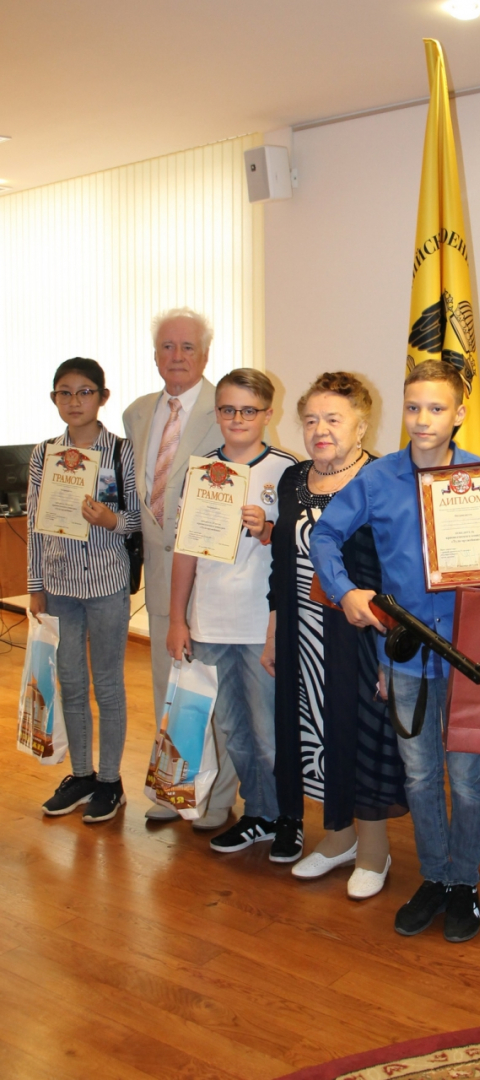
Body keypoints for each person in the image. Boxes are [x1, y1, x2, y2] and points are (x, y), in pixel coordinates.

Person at [311, 361, 480, 941]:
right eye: (413, 407)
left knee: (466, 778)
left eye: (436, 408)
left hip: (468, 653)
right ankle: (434, 876)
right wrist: (346, 590)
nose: (422, 419)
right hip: (405, 652)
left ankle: (465, 882)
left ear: (459, 413)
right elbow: (325, 534)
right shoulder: (379, 478)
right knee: (419, 775)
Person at [262, 372, 407, 899]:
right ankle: (339, 836)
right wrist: (274, 628)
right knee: (313, 733)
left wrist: (392, 654)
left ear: (361, 426)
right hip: (301, 632)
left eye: (333, 419)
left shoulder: (382, 478)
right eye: (311, 420)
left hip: (359, 636)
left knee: (360, 734)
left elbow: (398, 569)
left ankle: (373, 849)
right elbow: (281, 563)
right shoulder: (293, 480)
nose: (320, 430)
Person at [166, 369, 296, 852]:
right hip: (210, 622)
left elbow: (299, 547)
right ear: (216, 413)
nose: (237, 418)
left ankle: (288, 817)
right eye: (227, 409)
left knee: (269, 732)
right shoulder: (200, 472)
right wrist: (177, 618)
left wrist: (267, 530)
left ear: (267, 413)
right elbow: (185, 551)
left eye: (248, 410)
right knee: (233, 731)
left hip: (261, 623)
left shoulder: (287, 469)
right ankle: (259, 813)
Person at [123, 307, 238, 830]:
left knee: (216, 691)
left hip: (212, 573)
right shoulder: (136, 414)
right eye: (167, 346)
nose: (176, 356)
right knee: (169, 684)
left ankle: (218, 799)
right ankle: (176, 788)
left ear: (205, 355)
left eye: (187, 347)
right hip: (160, 574)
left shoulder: (225, 409)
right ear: (154, 355)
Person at [28, 357, 141, 822]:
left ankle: (110, 782)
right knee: (70, 681)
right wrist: (35, 586)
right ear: (54, 398)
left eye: (85, 392)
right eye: (65, 393)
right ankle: (81, 775)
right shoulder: (45, 453)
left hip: (107, 582)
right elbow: (35, 524)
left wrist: (111, 520)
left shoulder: (121, 452)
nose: (75, 401)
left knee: (108, 684)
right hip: (59, 585)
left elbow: (139, 519)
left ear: (103, 397)